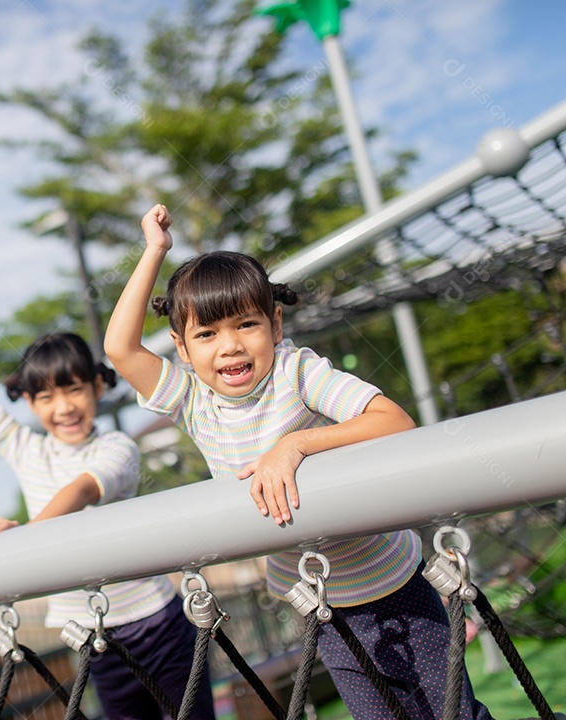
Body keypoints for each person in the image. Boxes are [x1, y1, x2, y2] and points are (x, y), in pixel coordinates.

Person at [104, 204, 492, 720]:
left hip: (392, 584)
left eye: (247, 324)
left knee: (453, 714)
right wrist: (154, 249)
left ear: (276, 322)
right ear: (181, 347)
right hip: (318, 603)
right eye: (206, 334)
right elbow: (119, 347)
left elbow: (394, 421)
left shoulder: (296, 372)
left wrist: (296, 445)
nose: (231, 346)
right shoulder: (193, 401)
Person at [0, 288, 215, 720]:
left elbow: (81, 490)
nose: (63, 407)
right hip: (91, 637)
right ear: (29, 402)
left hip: (156, 624)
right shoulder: (25, 449)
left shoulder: (117, 447)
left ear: (98, 385)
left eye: (74, 390)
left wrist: (26, 536)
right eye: (45, 397)